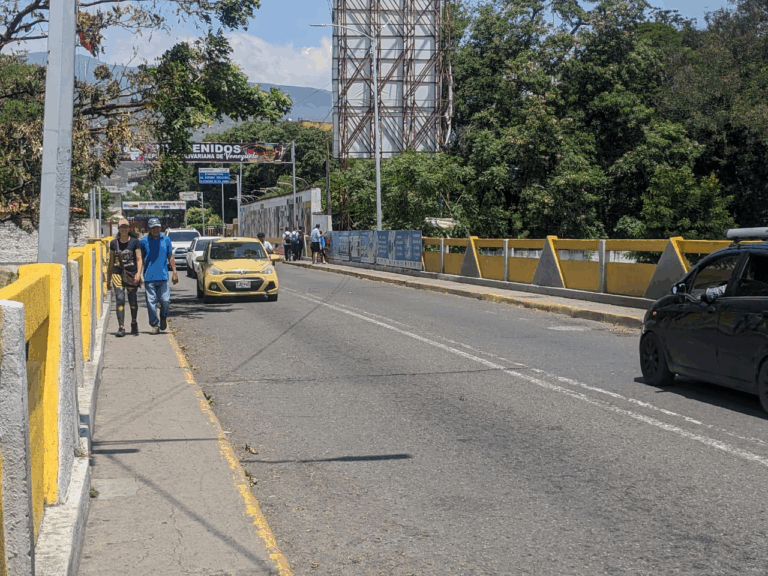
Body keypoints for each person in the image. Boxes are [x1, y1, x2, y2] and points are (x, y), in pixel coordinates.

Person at [140, 217, 178, 334]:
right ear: (149, 229)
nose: (156, 229)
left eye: (157, 227)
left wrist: (175, 272)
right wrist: (139, 274)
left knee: (165, 301)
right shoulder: (144, 241)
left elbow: (170, 256)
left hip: (163, 276)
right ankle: (155, 325)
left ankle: (163, 317)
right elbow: (140, 259)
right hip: (149, 277)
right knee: (151, 303)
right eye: (153, 228)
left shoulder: (166, 240)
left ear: (160, 228)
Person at [107, 218, 143, 337]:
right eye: (121, 227)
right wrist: (108, 280)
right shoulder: (113, 243)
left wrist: (138, 273)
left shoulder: (134, 242)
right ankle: (121, 327)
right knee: (120, 299)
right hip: (117, 274)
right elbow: (111, 263)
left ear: (129, 228)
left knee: (132, 300)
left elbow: (139, 259)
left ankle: (134, 322)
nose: (123, 229)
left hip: (131, 274)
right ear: (118, 229)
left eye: (126, 227)